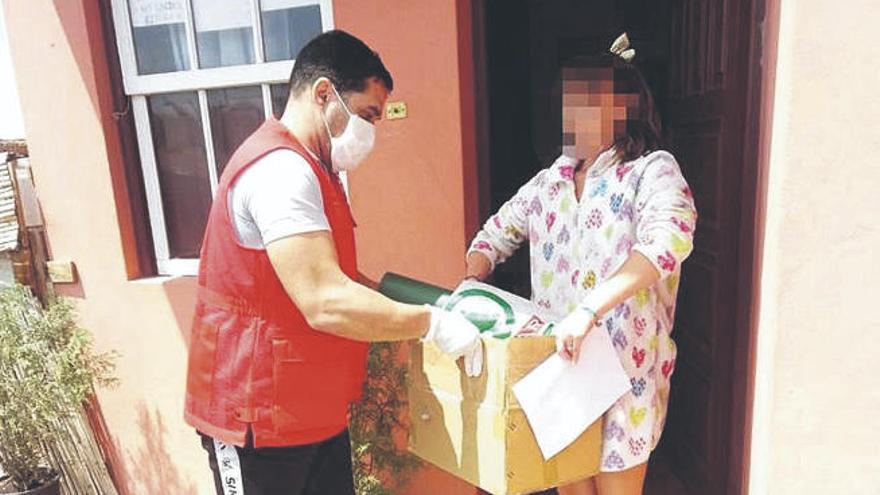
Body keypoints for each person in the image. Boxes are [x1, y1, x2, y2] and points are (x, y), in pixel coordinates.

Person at [184, 30, 482, 495]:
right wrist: (429, 322)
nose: (371, 132)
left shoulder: (318, 171)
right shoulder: (281, 172)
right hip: (255, 420)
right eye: (368, 114)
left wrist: (428, 302)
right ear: (324, 93)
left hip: (313, 412)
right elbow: (324, 300)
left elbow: (340, 278)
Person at [464, 34, 697, 495]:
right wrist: (472, 283)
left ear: (625, 108)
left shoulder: (651, 171)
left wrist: (589, 310)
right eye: (573, 104)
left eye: (594, 103)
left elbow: (668, 239)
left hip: (624, 378)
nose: (578, 115)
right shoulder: (548, 182)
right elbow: (493, 236)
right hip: (560, 372)